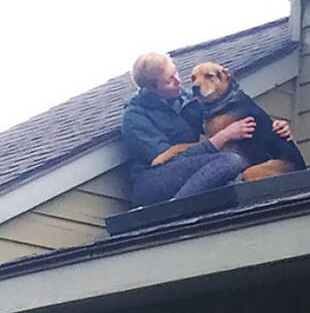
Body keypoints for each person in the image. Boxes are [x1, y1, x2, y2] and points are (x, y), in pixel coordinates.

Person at [121, 52, 292, 207]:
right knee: (229, 161)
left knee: (231, 182)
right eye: (169, 81)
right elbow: (165, 160)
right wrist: (222, 137)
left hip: (191, 174)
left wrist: (275, 126)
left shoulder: (190, 100)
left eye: (176, 73)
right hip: (153, 182)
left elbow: (227, 113)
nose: (178, 81)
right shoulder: (135, 116)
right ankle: (175, 209)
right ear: (150, 89)